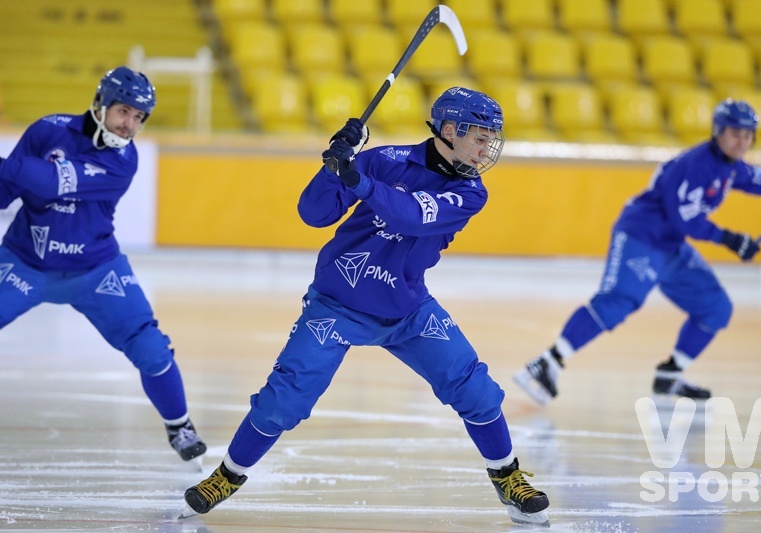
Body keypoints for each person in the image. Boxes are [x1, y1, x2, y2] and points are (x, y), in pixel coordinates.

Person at [182, 87, 551, 526]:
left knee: (474, 387)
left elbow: (411, 215)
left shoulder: (471, 192)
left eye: (491, 138)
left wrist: (358, 179)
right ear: (450, 130)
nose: (487, 148)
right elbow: (313, 214)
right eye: (480, 136)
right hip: (337, 305)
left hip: (408, 311)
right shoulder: (383, 159)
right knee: (285, 398)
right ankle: (227, 475)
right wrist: (337, 163)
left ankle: (507, 476)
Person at [514, 98, 761, 406]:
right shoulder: (694, 165)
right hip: (641, 237)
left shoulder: (730, 168)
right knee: (619, 302)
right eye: (735, 133)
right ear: (718, 131)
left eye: (748, 135)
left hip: (671, 245)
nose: (742, 141)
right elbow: (686, 219)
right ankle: (548, 362)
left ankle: (670, 374)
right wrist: (732, 239)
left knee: (716, 307)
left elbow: (757, 180)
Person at [0, 67, 206, 463]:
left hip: (95, 270)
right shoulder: (47, 130)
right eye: (124, 112)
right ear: (101, 105)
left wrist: (7, 166)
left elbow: (44, 182)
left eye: (139, 118)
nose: (130, 125)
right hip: (25, 262)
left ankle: (179, 426)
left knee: (151, 348)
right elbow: (5, 191)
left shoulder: (123, 161)